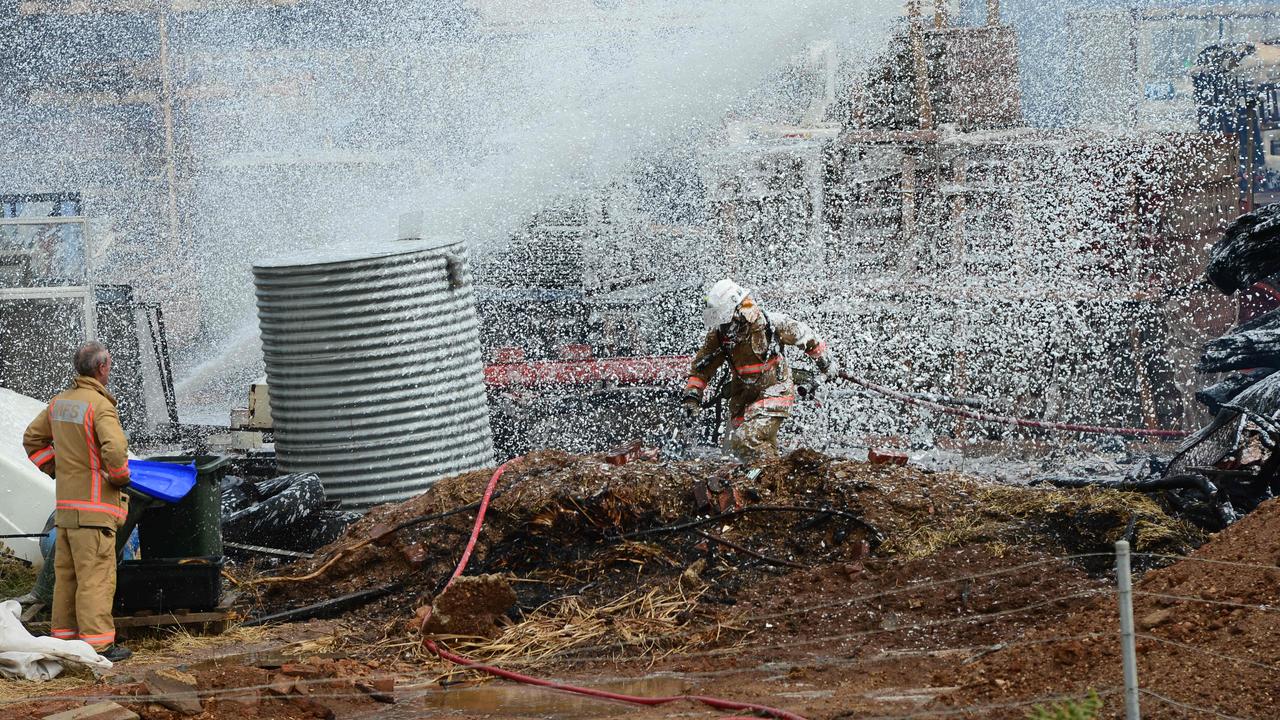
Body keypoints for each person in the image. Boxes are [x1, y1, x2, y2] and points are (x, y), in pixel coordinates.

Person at [22, 341, 132, 662]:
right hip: (95, 512)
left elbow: (32, 439)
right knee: (96, 578)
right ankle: (98, 646)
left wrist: (56, 468)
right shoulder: (100, 406)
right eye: (108, 365)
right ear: (101, 368)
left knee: (66, 579)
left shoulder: (59, 403)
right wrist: (121, 477)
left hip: (67, 512)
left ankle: (64, 641)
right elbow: (114, 450)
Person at [683, 279, 837, 460]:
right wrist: (692, 397)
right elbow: (702, 368)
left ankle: (771, 474)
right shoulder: (720, 336)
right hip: (743, 399)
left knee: (746, 440)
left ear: (737, 310)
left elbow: (805, 336)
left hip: (775, 391)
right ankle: (771, 482)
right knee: (744, 453)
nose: (726, 325)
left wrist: (825, 363)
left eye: (725, 317)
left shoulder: (770, 325)